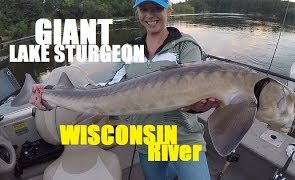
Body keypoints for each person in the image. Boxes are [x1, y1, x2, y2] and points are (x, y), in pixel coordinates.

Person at [31, 0, 220, 179]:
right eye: (144, 9)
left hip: (183, 138)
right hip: (148, 139)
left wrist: (199, 106)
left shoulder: (185, 45)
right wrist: (48, 97)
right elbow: (108, 87)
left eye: (156, 8)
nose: (150, 15)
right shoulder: (130, 49)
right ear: (138, 12)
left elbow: (194, 91)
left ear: (168, 11)